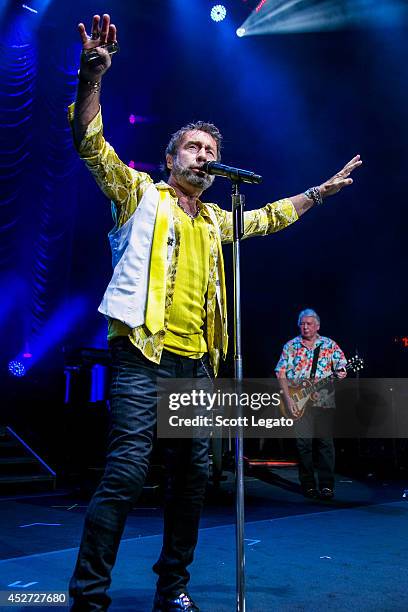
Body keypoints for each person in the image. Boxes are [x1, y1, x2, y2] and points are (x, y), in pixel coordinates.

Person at [68, 13, 362, 612]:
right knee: (125, 474)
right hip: (140, 357)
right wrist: (91, 78)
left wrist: (320, 193)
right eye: (194, 148)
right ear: (170, 156)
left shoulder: (217, 219)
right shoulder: (139, 193)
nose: (204, 156)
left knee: (194, 481)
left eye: (212, 150)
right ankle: (88, 596)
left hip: (197, 367)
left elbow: (269, 217)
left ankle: (171, 588)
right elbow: (89, 143)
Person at [275, 309, 347, 501]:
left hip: (323, 402)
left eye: (309, 323)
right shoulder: (291, 346)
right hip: (298, 402)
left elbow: (342, 365)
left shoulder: (329, 345)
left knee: (325, 444)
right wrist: (288, 400)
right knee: (303, 444)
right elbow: (280, 373)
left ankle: (326, 486)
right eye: (302, 324)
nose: (305, 327)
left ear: (317, 326)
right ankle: (308, 485)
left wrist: (341, 372)